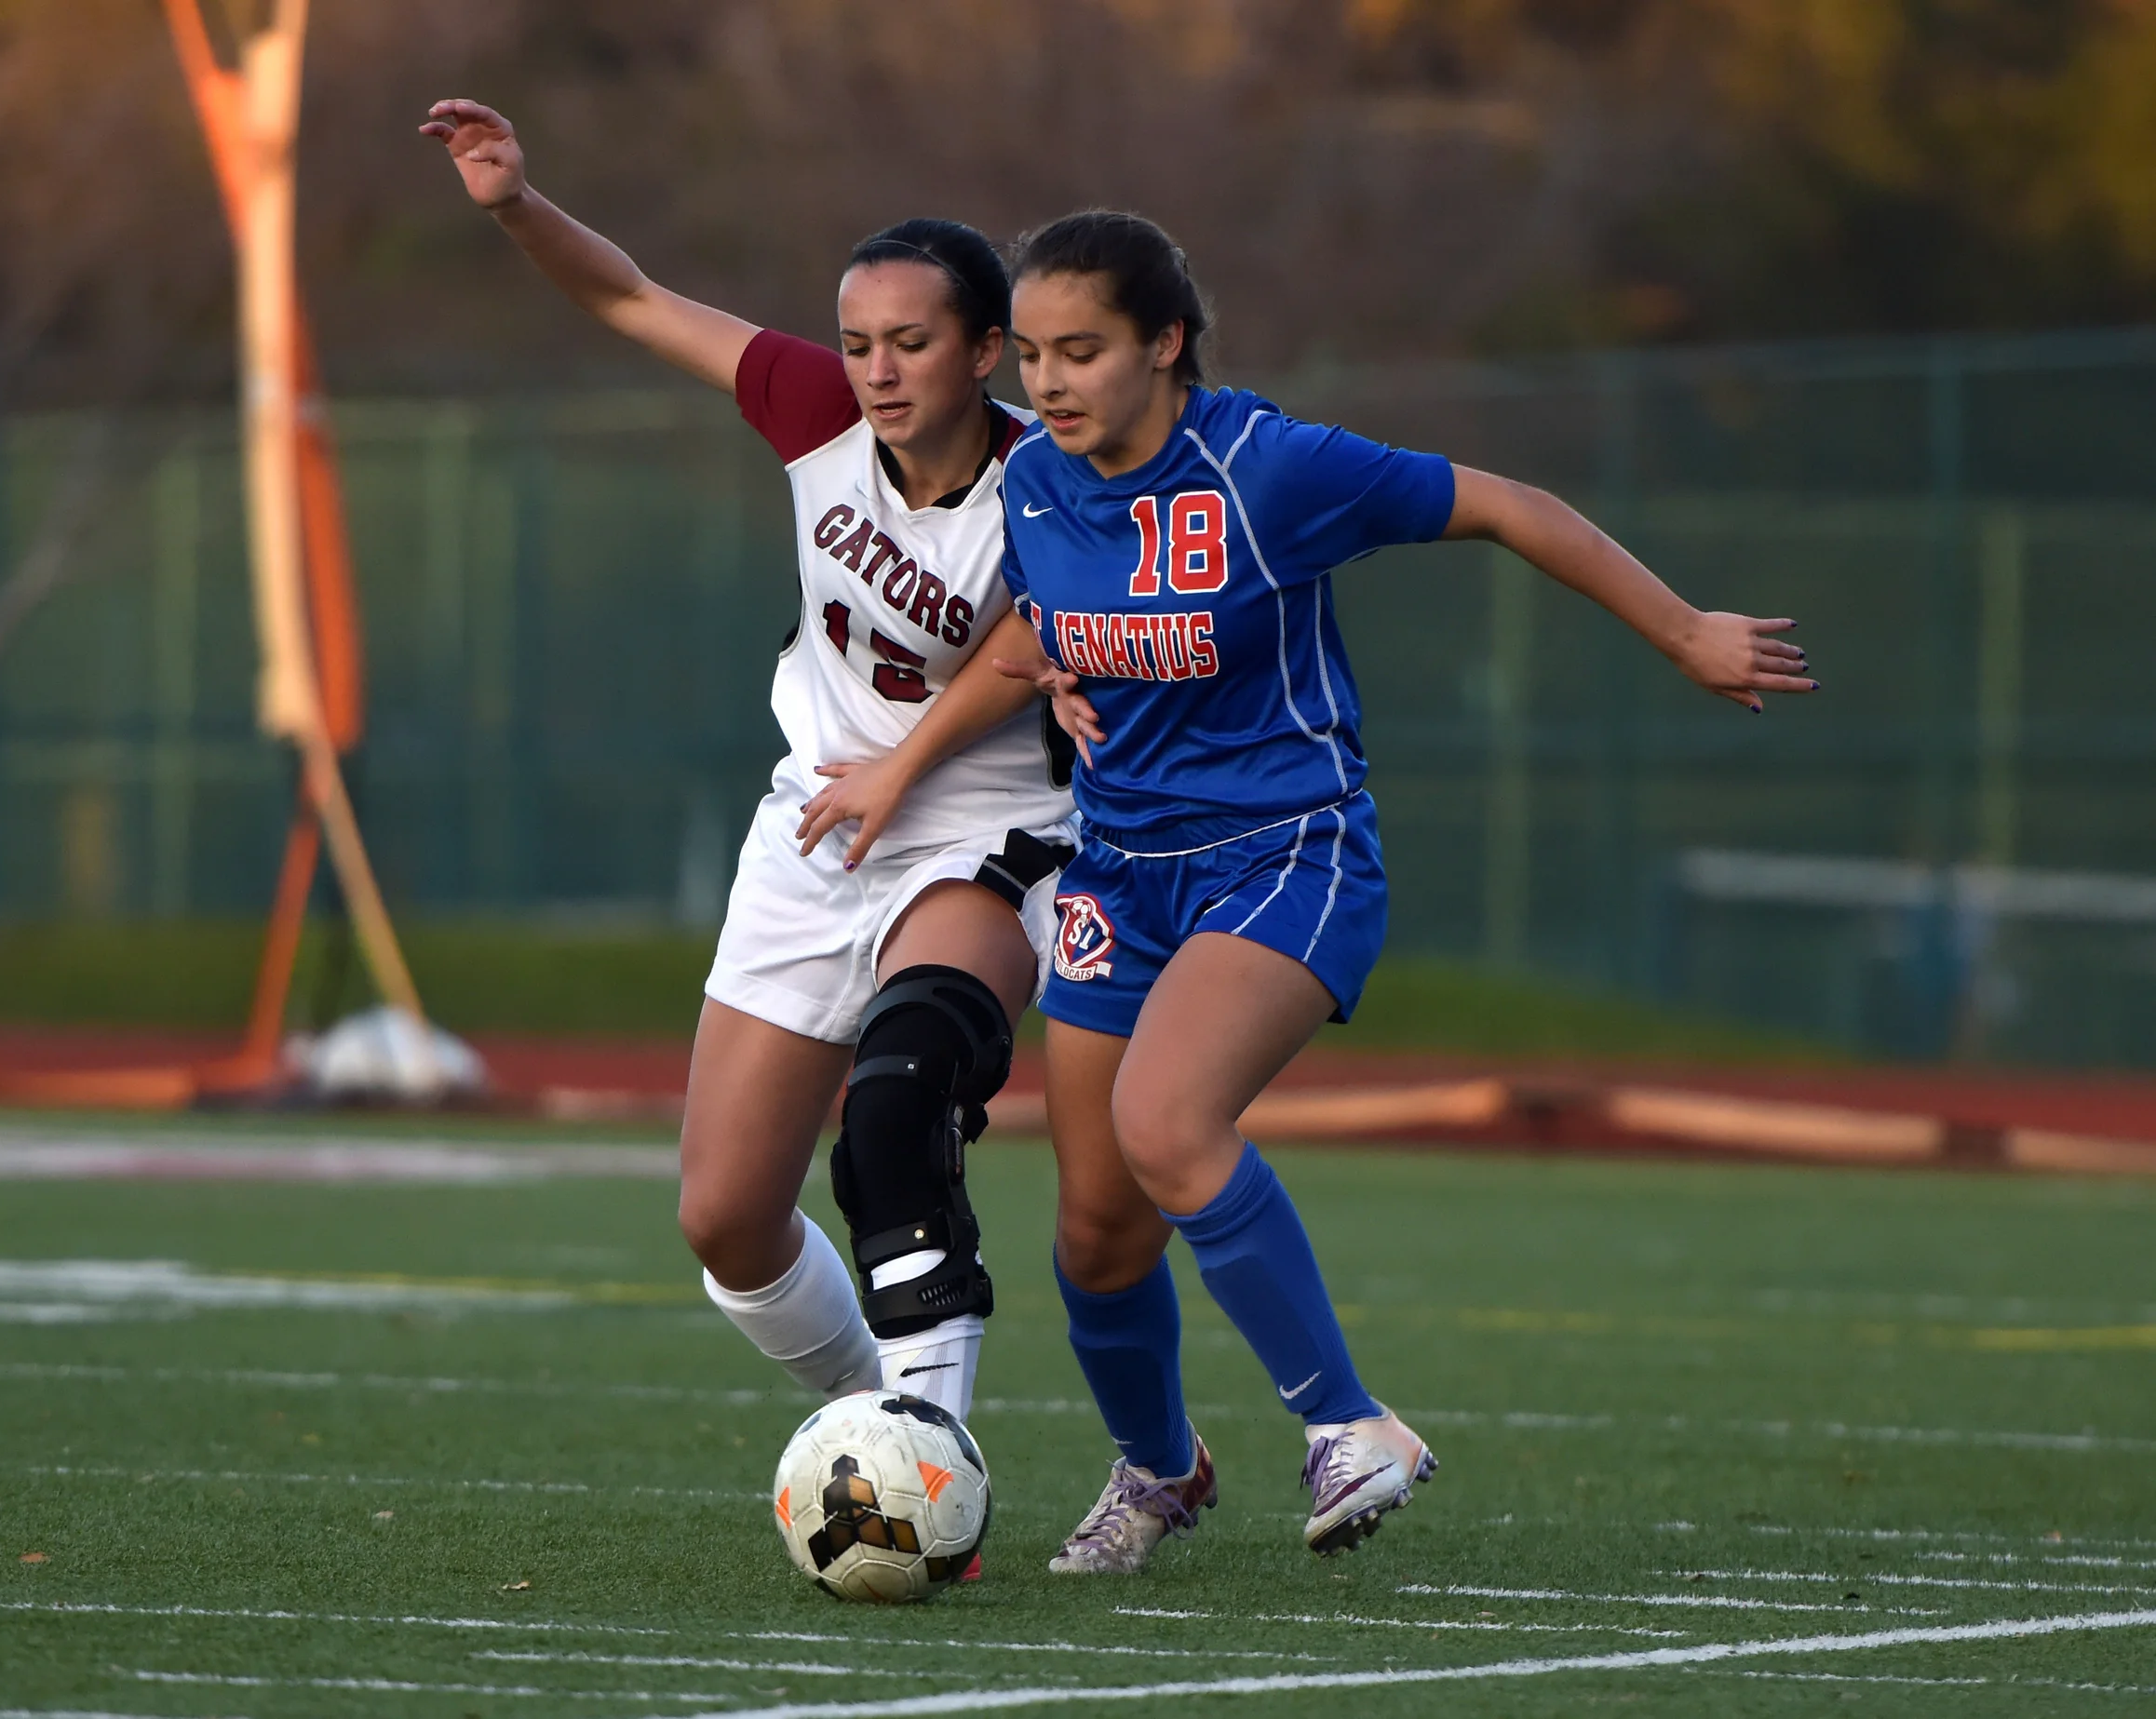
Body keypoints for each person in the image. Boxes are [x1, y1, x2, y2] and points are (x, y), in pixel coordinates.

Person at [854, 208, 1814, 1573]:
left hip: (1286, 851)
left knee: (1167, 1122)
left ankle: (1352, 1423)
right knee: (1096, 1231)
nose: (1051, 383)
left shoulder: (1272, 465)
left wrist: (1684, 631)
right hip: (1119, 871)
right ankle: (1158, 1471)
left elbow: (1506, 505)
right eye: (1038, 355)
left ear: (1165, 344)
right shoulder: (1036, 483)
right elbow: (1042, 622)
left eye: (1085, 351)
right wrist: (1037, 679)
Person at [419, 101, 1076, 1444]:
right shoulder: (814, 409)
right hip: (821, 820)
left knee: (901, 1089)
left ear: (985, 349)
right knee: (724, 1218)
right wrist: (515, 204)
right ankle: (875, 1425)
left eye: (912, 342)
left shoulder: (1054, 478)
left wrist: (902, 770)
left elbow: (1031, 647)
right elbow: (630, 298)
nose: (877, 370)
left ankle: (931, 1437)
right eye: (859, 341)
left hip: (986, 822)